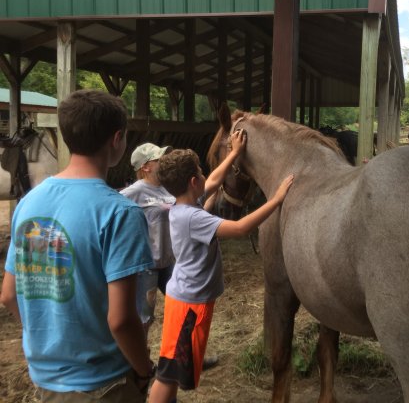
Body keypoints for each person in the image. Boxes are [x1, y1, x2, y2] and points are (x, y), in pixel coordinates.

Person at [0, 89, 156, 402]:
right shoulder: (120, 212)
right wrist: (144, 370)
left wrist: (48, 344)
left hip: (45, 381)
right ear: (117, 140)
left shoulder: (29, 204)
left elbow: (8, 295)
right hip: (104, 384)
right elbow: (121, 320)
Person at [148, 134, 294, 403]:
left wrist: (233, 153)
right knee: (169, 372)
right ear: (193, 182)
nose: (206, 175)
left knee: (172, 367)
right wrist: (276, 199)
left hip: (186, 300)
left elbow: (213, 181)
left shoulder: (184, 205)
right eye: (200, 171)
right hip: (188, 307)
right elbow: (239, 229)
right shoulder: (194, 217)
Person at [120, 143, 175, 343]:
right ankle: (141, 365)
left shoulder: (167, 187)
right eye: (159, 159)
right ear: (146, 167)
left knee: (183, 307)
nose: (165, 162)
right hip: (147, 266)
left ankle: (184, 358)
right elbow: (112, 212)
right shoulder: (134, 192)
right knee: (144, 318)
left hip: (169, 262)